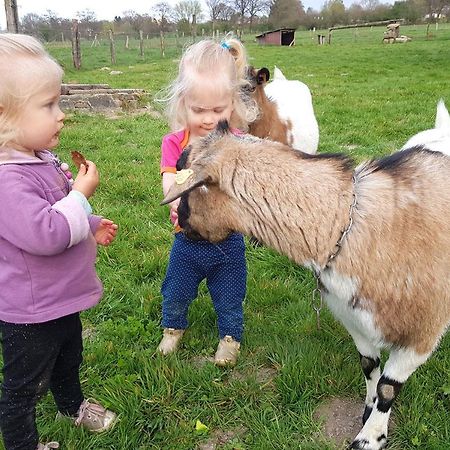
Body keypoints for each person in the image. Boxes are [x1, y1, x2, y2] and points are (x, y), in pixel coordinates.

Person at [0, 34, 118, 450]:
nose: (62, 114)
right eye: (49, 105)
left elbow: (59, 211)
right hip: (29, 311)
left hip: (59, 299)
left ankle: (72, 405)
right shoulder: (6, 180)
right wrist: (81, 196)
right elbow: (46, 233)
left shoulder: (38, 158)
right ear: (5, 117)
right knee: (23, 387)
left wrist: (91, 221)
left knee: (69, 358)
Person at [157, 37, 258, 367]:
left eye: (218, 110)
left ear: (233, 104)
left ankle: (230, 337)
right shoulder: (175, 142)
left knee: (229, 296)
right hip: (185, 240)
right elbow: (169, 177)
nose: (209, 119)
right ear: (183, 103)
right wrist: (172, 196)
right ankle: (172, 329)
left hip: (228, 242)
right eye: (199, 110)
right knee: (176, 290)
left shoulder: (238, 143)